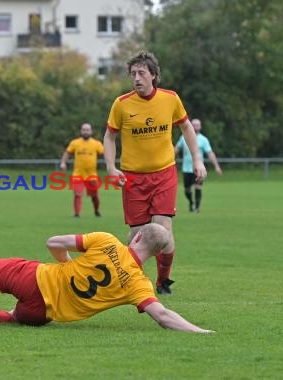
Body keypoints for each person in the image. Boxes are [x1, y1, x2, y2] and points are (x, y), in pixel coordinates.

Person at [0, 223, 214, 333]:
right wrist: (199, 331)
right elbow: (162, 315)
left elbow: (54, 242)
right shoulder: (139, 285)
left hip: (35, 278)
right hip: (44, 314)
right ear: (157, 253)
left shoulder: (106, 240)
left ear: (136, 237)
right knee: (14, 317)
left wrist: (66, 263)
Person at [103, 51, 207, 295]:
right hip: (133, 177)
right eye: (132, 74)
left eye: (141, 73)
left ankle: (163, 280)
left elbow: (186, 128)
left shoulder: (170, 99)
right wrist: (110, 166)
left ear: (153, 75)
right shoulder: (122, 103)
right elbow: (110, 135)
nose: (136, 78)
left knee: (162, 230)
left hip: (164, 174)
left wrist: (197, 160)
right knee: (136, 235)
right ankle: (134, 280)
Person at [175, 118, 223, 213]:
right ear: (190, 125)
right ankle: (191, 202)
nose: (196, 127)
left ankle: (197, 208)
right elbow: (176, 149)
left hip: (198, 168)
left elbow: (210, 153)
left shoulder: (204, 139)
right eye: (194, 125)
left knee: (198, 187)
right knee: (187, 190)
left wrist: (216, 166)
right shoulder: (183, 137)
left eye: (198, 125)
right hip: (186, 169)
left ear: (200, 127)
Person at [59, 123, 104, 218]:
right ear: (81, 131)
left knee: (94, 196)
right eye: (84, 129)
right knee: (77, 194)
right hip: (78, 174)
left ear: (91, 131)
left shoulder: (96, 144)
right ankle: (77, 213)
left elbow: (105, 154)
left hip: (92, 175)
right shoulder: (75, 143)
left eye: (87, 130)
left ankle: (96, 211)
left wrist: (110, 164)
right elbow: (67, 153)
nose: (85, 131)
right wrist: (63, 162)